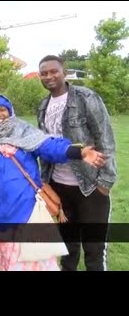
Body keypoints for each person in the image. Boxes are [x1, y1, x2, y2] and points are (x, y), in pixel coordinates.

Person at [0, 94, 106, 271]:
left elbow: (50, 146)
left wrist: (79, 152)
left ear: (10, 112)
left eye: (3, 110)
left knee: (35, 261)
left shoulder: (24, 133)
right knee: (8, 263)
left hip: (26, 210)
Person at [37, 55, 117, 271]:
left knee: (94, 249)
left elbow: (105, 139)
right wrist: (45, 182)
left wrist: (105, 183)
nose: (49, 76)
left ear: (64, 72)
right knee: (67, 246)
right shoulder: (43, 106)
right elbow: (45, 147)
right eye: (44, 73)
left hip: (90, 187)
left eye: (54, 71)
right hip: (59, 187)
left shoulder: (86, 97)